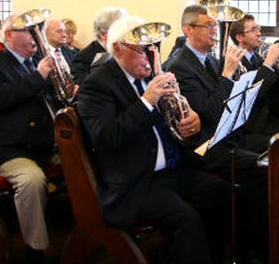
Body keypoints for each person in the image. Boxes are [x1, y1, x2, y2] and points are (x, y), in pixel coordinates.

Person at [77, 15, 231, 263]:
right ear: (117, 49)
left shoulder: (150, 75)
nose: (151, 59)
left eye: (154, 49)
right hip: (135, 181)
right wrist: (147, 101)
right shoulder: (96, 85)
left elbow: (174, 124)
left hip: (172, 170)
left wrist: (191, 122)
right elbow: (106, 137)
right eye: (141, 51)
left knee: (220, 192)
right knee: (187, 218)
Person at [163, 4, 279, 261]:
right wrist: (227, 74)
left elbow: (227, 104)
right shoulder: (180, 66)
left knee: (276, 152)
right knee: (263, 168)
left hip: (227, 135)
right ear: (188, 29)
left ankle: (263, 235)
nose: (214, 31)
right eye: (208, 26)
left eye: (214, 26)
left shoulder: (209, 60)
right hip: (205, 146)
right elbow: (209, 111)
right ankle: (257, 246)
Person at [0, 13, 59, 263]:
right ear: (8, 35)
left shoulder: (35, 61)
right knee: (31, 180)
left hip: (45, 143)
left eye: (37, 31)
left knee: (89, 158)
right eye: (28, 31)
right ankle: (35, 249)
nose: (36, 36)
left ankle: (94, 229)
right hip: (10, 147)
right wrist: (39, 76)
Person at [228, 14, 279, 150]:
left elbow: (275, 91)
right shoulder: (235, 63)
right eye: (253, 30)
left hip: (268, 118)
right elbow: (254, 95)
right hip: (252, 127)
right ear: (239, 37)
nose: (259, 33)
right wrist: (269, 63)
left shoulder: (256, 57)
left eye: (258, 28)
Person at [71, 7, 127, 84]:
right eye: (120, 31)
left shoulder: (125, 52)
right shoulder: (83, 58)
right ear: (103, 34)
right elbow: (86, 89)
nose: (125, 36)